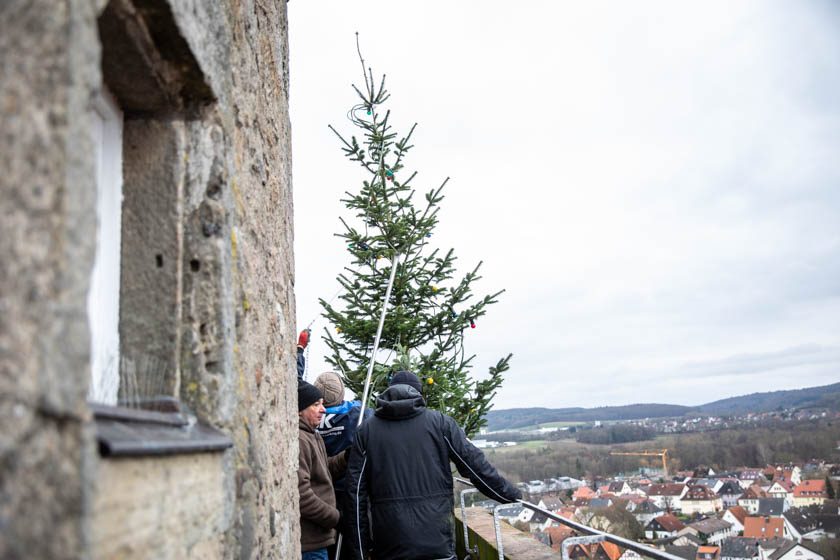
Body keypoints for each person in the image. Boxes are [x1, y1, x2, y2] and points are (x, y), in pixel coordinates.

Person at [346, 371, 521, 560]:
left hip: (390, 545)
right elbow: (475, 466)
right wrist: (510, 495)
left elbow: (355, 496)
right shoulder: (440, 424)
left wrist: (361, 553)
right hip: (437, 542)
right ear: (420, 394)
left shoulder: (366, 431)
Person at [313, 372, 372, 560]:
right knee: (351, 541)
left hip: (320, 492)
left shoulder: (311, 418)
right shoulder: (357, 415)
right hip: (349, 490)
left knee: (326, 542)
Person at [298, 380, 347, 560]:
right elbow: (302, 495)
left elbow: (324, 471)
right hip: (310, 542)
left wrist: (346, 457)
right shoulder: (301, 440)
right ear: (299, 410)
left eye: (323, 404)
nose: (323, 409)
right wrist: (336, 518)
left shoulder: (313, 435)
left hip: (319, 539)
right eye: (316, 405)